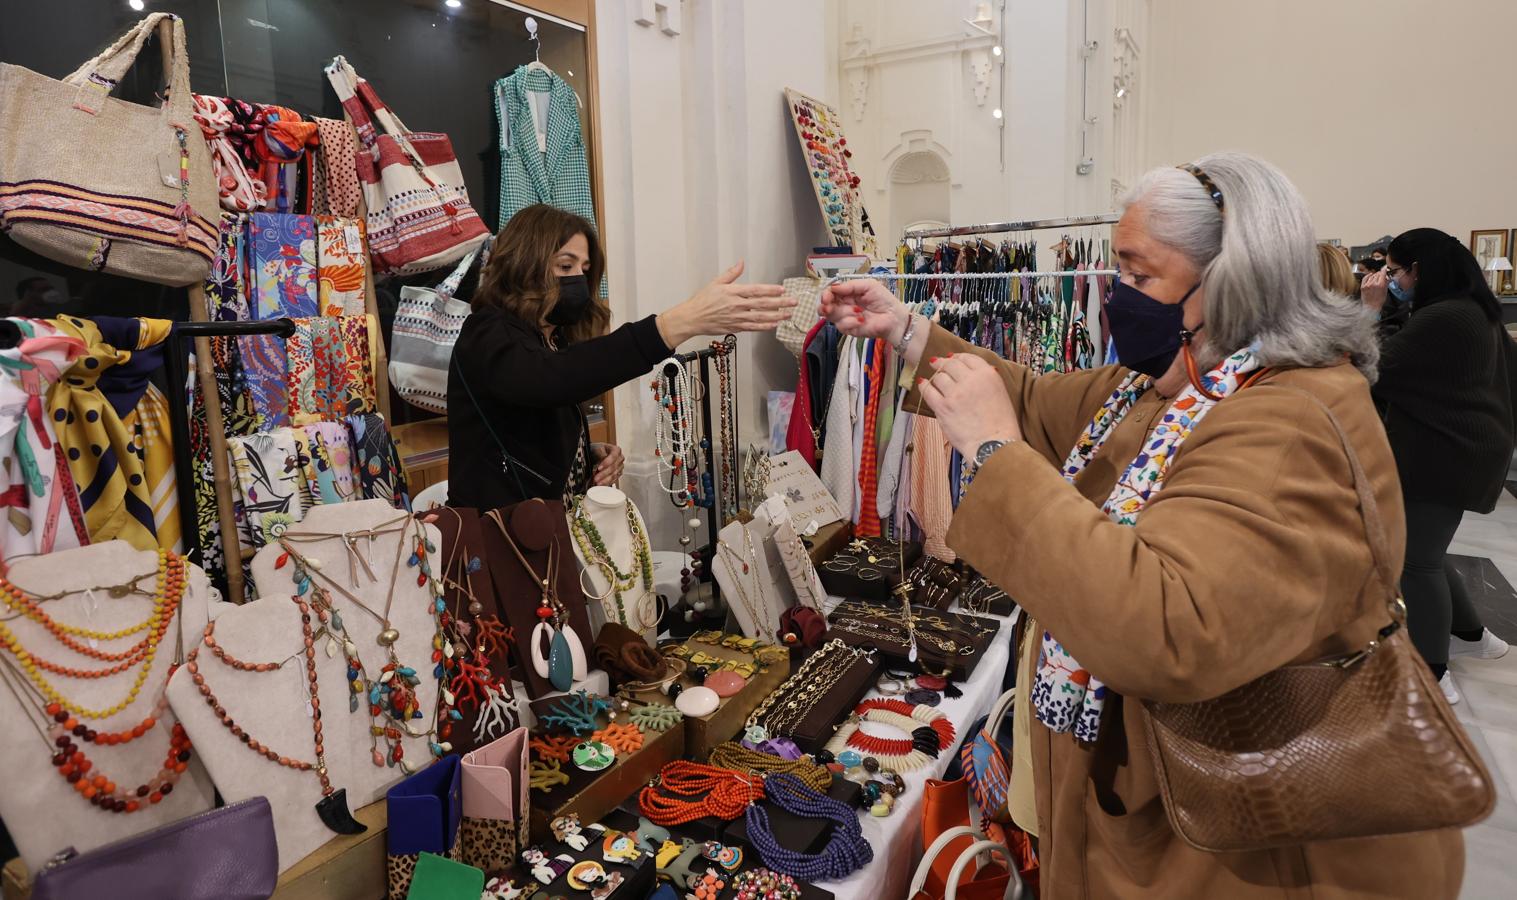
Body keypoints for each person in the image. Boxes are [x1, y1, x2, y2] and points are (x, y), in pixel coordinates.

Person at [821, 153, 1464, 897]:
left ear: (1229, 285)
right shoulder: (1171, 387)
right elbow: (1029, 398)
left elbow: (1164, 627)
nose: (1116, 301)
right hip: (1146, 799)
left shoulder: (1291, 422)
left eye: (1138, 277)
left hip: (1231, 846)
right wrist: (903, 328)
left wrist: (993, 454)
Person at [448, 204, 794, 510]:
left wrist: (584, 454)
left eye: (584, 270)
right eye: (565, 266)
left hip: (545, 542)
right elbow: (550, 380)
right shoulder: (485, 332)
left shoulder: (550, 340)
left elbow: (527, 417)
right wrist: (675, 324)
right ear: (525, 262)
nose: (578, 280)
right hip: (496, 552)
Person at [1360, 229, 1514, 703]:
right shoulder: (1474, 309)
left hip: (1442, 455)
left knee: (1416, 562)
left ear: (1418, 269)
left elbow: (1375, 367)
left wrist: (1371, 310)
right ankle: (1475, 637)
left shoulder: (1447, 317)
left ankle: (1433, 672)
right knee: (1427, 552)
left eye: (1396, 269)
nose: (1392, 279)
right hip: (1459, 451)